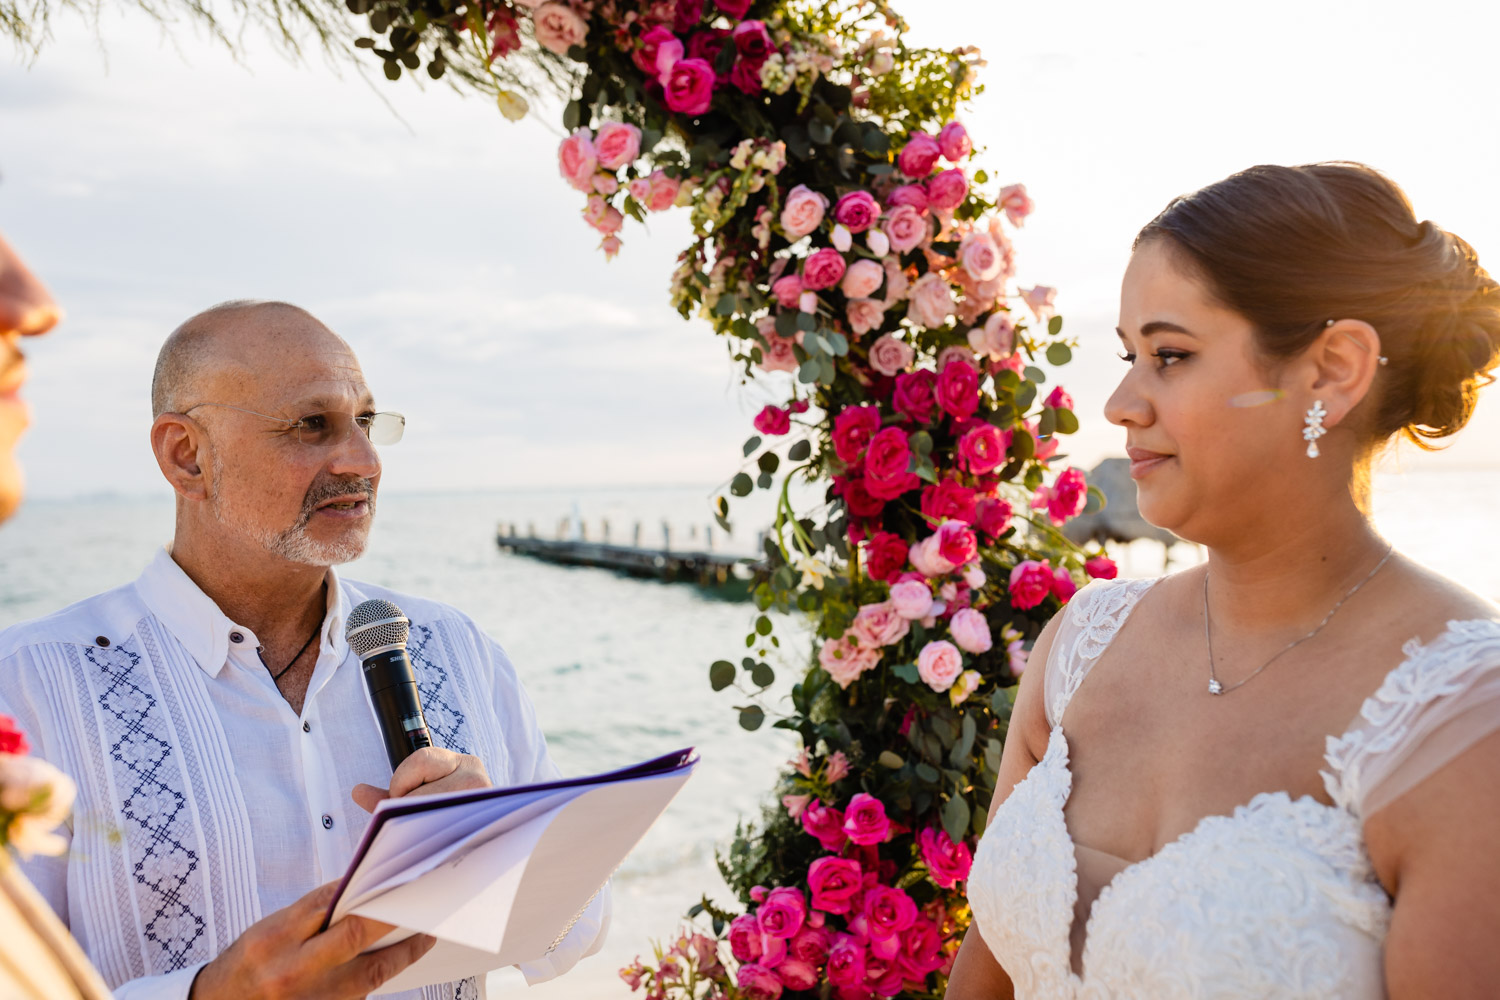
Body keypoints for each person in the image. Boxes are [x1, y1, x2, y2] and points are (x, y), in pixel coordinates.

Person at [947, 163, 1500, 998]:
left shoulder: (1457, 719)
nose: (1122, 403)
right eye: (1130, 355)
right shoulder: (1081, 647)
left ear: (1334, 369)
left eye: (1170, 355)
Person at [0, 300, 610, 999]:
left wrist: (500, 842)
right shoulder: (29, 687)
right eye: (312, 425)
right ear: (186, 454)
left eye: (366, 423)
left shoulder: (457, 648)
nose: (363, 461)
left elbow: (578, 933)